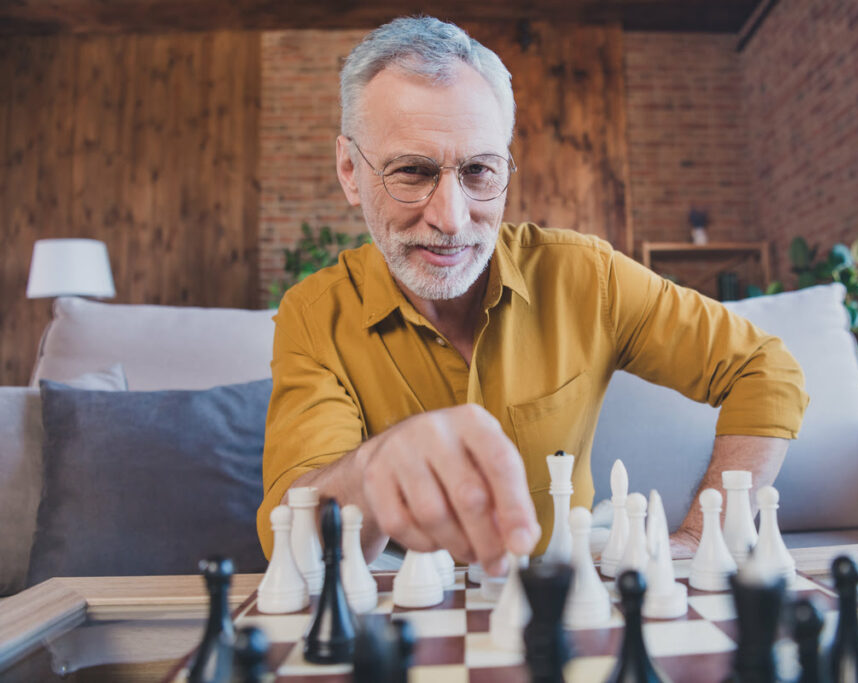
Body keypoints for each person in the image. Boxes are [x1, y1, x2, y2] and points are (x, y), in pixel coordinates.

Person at [257, 16, 808, 577]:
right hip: (395, 593)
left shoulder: (588, 277)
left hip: (558, 585)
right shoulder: (313, 315)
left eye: (479, 171)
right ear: (350, 171)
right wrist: (375, 470)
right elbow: (290, 537)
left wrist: (703, 531)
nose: (451, 218)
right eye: (411, 172)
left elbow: (765, 369)